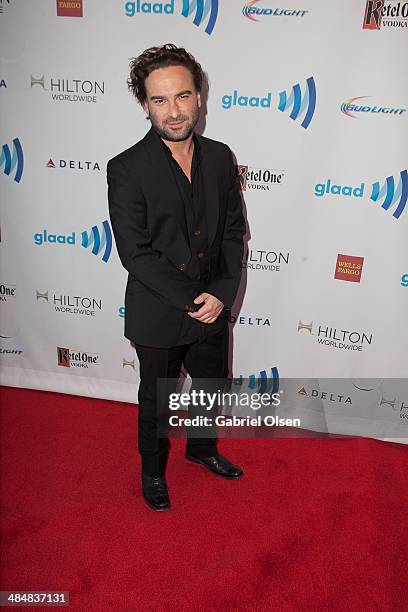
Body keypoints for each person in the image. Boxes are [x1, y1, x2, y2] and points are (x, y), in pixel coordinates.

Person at [107, 43, 246, 511]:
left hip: (212, 305)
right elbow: (136, 254)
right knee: (157, 399)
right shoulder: (126, 169)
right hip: (161, 309)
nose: (173, 111)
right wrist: (194, 299)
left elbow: (232, 233)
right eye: (160, 100)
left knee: (212, 384)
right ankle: (152, 471)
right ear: (144, 103)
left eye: (183, 96)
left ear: (199, 97)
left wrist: (221, 294)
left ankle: (203, 448)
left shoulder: (223, 157)